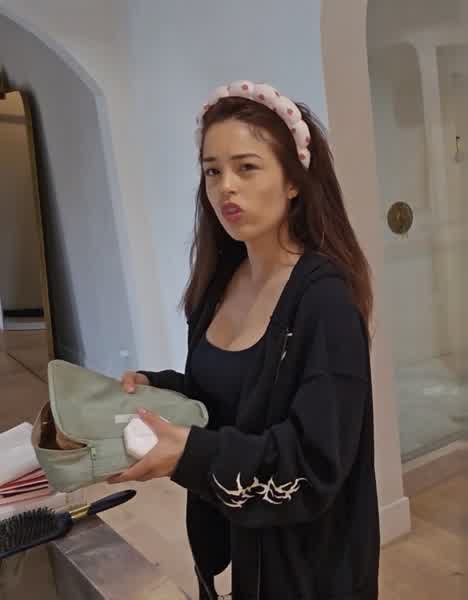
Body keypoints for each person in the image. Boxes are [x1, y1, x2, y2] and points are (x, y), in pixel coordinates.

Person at [108, 80, 380, 599]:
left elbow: (314, 464)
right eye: (212, 171)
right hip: (231, 549)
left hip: (307, 570)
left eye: (246, 167)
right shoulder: (218, 285)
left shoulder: (325, 303)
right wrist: (161, 389)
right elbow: (234, 399)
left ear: (294, 181)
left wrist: (191, 456)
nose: (225, 187)